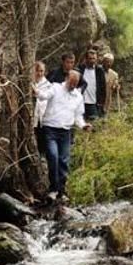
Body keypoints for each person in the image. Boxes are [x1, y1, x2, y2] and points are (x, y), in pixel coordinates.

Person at [36, 70, 93, 201]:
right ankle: (53, 189)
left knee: (64, 160)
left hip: (66, 131)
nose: (73, 85)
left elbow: (78, 116)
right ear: (67, 78)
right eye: (71, 82)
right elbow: (44, 95)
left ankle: (62, 190)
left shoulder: (78, 96)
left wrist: (83, 125)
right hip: (50, 129)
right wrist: (37, 92)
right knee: (53, 157)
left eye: (76, 83)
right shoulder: (55, 87)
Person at [77, 49, 106, 120]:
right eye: (90, 58)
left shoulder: (99, 70)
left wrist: (101, 102)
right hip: (80, 102)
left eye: (94, 58)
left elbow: (103, 87)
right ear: (86, 59)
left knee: (94, 123)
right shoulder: (80, 69)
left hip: (93, 102)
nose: (92, 61)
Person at [32, 61, 51, 155]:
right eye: (37, 71)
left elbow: (46, 97)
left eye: (41, 71)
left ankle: (42, 156)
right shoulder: (29, 82)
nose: (39, 73)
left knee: (42, 138)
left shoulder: (47, 84)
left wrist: (36, 92)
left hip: (43, 116)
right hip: (32, 115)